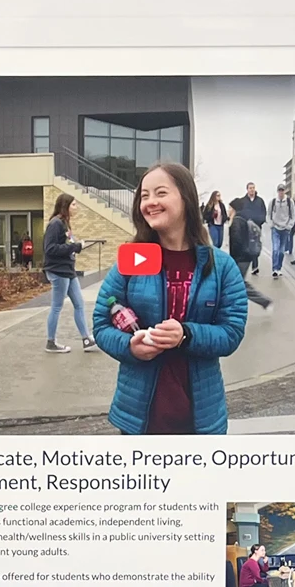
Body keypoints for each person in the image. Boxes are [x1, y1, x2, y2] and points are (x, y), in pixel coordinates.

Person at [93, 161, 248, 434]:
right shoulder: (133, 259)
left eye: (160, 193)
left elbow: (231, 332)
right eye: (144, 195)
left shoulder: (221, 266)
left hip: (200, 419)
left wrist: (187, 335)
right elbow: (101, 325)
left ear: (186, 198)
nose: (150, 202)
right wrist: (130, 346)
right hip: (140, 420)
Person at [42, 194, 92, 354]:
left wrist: (75, 246)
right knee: (56, 307)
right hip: (59, 271)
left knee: (79, 304)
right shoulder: (55, 224)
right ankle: (51, 342)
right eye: (74, 205)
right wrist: (74, 247)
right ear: (66, 206)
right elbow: (50, 249)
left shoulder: (64, 224)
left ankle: (86, 338)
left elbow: (66, 244)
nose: (76, 208)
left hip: (68, 271)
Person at [226, 201, 271, 309]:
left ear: (234, 209)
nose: (228, 210)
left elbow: (237, 242)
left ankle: (264, 301)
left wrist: (233, 259)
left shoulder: (236, 221)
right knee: (238, 283)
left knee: (239, 284)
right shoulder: (243, 219)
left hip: (241, 258)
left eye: (230, 208)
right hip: (245, 256)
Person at [229, 182, 267, 275]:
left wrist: (259, 221)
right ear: (247, 189)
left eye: (253, 187)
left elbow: (263, 213)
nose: (252, 189)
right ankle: (252, 261)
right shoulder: (243, 201)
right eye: (250, 188)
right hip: (245, 227)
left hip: (256, 226)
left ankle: (255, 265)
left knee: (254, 244)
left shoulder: (260, 201)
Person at [266, 184, 295, 280]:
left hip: (285, 229)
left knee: (282, 251)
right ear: (277, 191)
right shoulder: (273, 202)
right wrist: (271, 224)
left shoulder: (289, 202)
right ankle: (274, 269)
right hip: (275, 228)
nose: (281, 192)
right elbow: (268, 214)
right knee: (275, 249)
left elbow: (293, 215)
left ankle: (279, 268)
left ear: (284, 191)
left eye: (282, 190)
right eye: (279, 190)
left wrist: (289, 226)